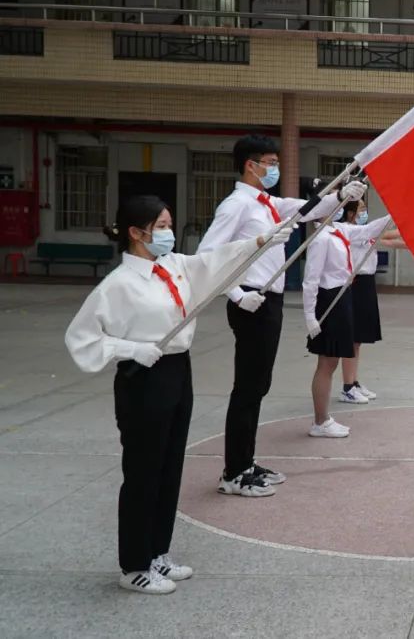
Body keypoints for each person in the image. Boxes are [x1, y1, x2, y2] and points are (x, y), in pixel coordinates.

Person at [64, 195, 293, 594]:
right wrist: (131, 349)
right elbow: (81, 339)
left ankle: (157, 553)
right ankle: (133, 564)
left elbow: (214, 261)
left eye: (170, 224)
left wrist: (261, 242)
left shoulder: (175, 266)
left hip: (178, 371)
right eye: (163, 226)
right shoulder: (118, 285)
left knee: (170, 468)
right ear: (137, 233)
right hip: (144, 379)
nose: (169, 233)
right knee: (143, 472)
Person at [197, 135, 365, 496]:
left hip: (269, 303)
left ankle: (246, 461)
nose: (274, 169)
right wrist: (237, 294)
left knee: (258, 386)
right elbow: (206, 255)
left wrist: (342, 194)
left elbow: (307, 208)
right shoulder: (236, 206)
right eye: (270, 163)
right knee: (247, 388)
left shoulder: (267, 202)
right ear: (250, 165)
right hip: (251, 303)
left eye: (275, 162)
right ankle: (234, 472)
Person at [303, 201, 396, 436]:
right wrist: (310, 316)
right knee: (326, 362)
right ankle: (320, 421)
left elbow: (368, 230)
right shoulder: (321, 238)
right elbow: (311, 280)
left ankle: (322, 419)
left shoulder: (339, 230)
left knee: (332, 361)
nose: (340, 206)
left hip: (342, 296)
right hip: (329, 299)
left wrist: (395, 211)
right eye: (335, 202)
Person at [337, 199, 408, 405]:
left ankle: (354, 382)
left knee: (358, 339)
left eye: (365, 209)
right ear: (350, 213)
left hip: (366, 283)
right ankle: (347, 387)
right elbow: (384, 234)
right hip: (356, 284)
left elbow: (392, 237)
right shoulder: (351, 232)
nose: (364, 212)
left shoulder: (364, 232)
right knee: (352, 338)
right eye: (361, 209)